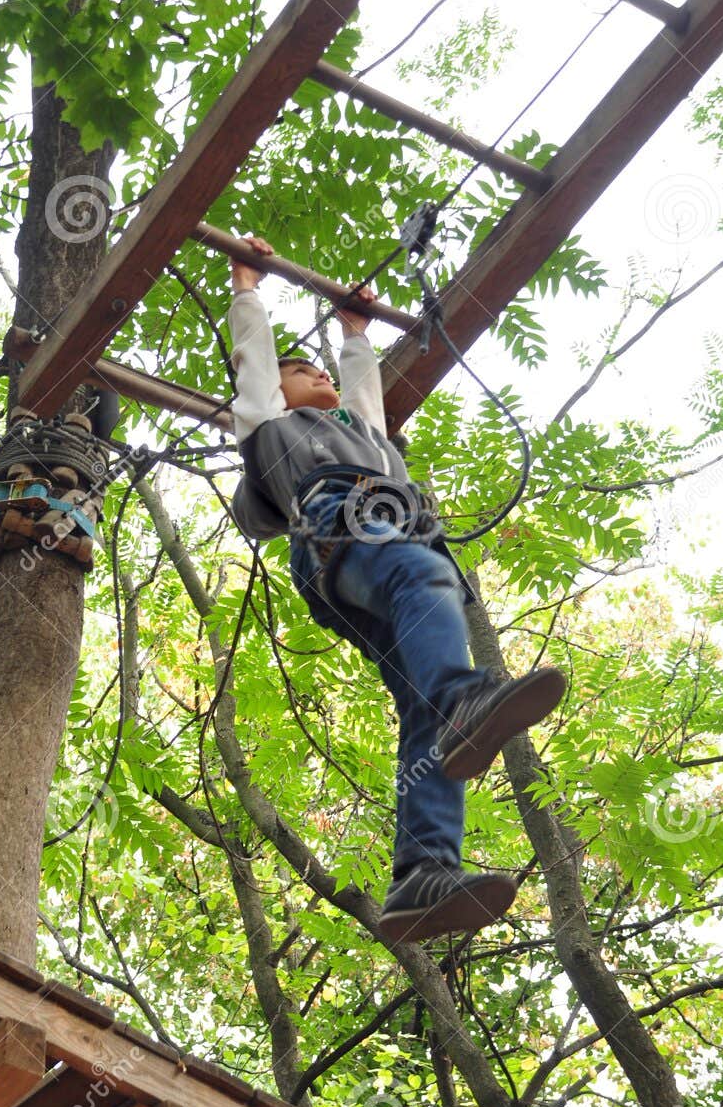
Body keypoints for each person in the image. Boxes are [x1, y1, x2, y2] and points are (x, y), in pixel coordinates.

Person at [228, 235, 567, 945]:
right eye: (299, 370)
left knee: (420, 701)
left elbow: (364, 397)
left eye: (317, 367)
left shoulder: (371, 440)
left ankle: (423, 870)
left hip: (379, 540)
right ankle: (462, 700)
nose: (312, 374)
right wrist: (247, 285)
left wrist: (354, 335)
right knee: (423, 576)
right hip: (338, 533)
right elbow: (253, 369)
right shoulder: (272, 428)